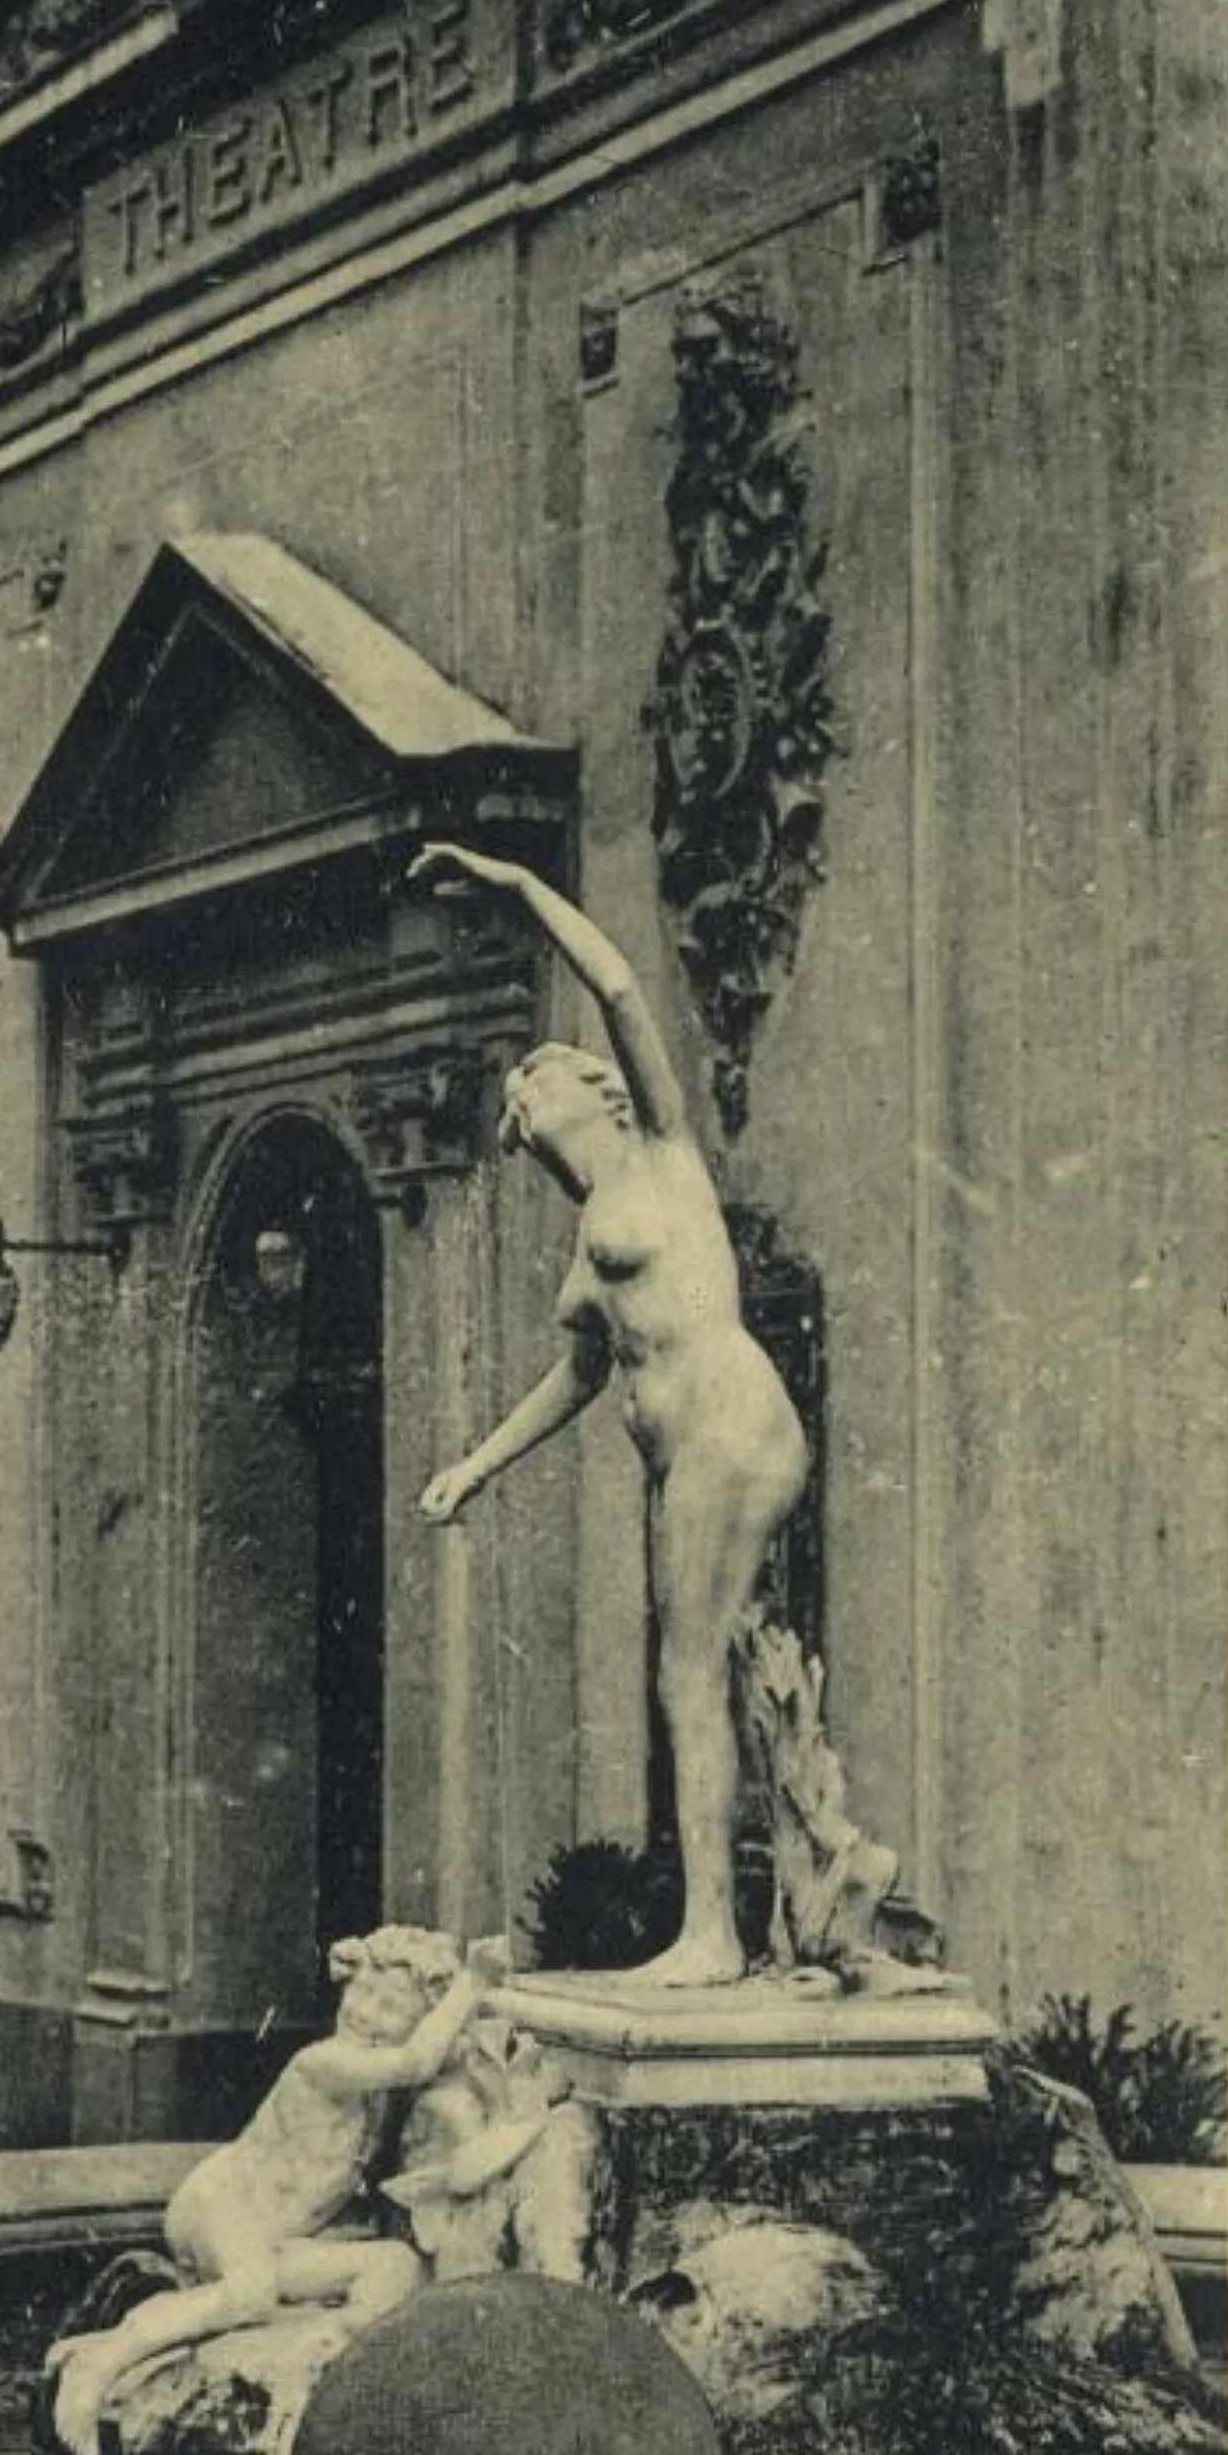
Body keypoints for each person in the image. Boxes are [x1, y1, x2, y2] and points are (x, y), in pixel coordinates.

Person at [412, 840, 809, 1989]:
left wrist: (514, 887)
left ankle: (711, 1937)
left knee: (688, 1676)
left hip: (730, 1424)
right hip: (685, 1450)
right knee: (705, 1676)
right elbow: (574, 1381)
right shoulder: (589, 1244)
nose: (514, 1113)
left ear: (583, 1090)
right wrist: (472, 1469)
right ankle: (761, 1914)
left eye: (525, 1088)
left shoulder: (658, 1149)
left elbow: (620, 986)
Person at [43, 1924, 507, 2455]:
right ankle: (96, 2370)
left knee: (395, 2267)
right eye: (362, 1994)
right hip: (219, 2203)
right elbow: (416, 2062)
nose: (365, 2014)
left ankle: (301, 2360)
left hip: (272, 2237)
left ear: (418, 2021)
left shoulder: (378, 2093)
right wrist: (472, 1983)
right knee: (252, 2289)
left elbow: (443, 2064)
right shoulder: (324, 2062)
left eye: (391, 2007)